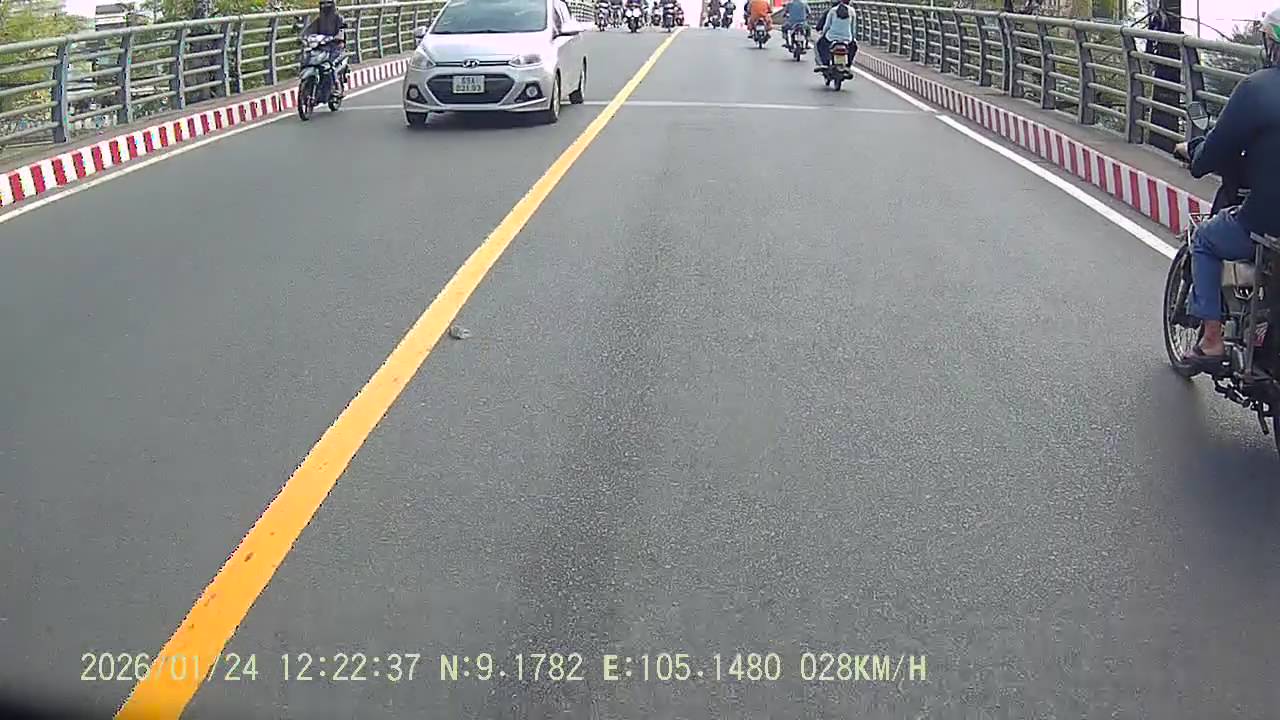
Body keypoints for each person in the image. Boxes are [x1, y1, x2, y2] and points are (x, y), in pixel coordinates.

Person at [1171, 7, 1280, 368]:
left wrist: (1196, 155)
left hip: (1266, 225)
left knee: (1204, 239)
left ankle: (1213, 340)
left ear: (1270, 44)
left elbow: (1216, 149)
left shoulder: (1257, 88)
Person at [303, 0, 348, 95]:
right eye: (323, 4)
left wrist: (336, 38)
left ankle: (336, 86)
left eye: (328, 4)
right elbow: (309, 30)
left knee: (331, 65)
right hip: (321, 47)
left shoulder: (339, 18)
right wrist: (303, 37)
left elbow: (341, 31)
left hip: (335, 47)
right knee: (308, 59)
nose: (325, 7)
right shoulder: (319, 20)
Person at [814, 0, 855, 70]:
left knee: (820, 44)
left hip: (831, 37)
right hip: (847, 38)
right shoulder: (852, 11)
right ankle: (848, 64)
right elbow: (853, 28)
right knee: (854, 47)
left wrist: (823, 33)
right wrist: (852, 37)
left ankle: (824, 63)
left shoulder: (832, 10)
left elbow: (827, 26)